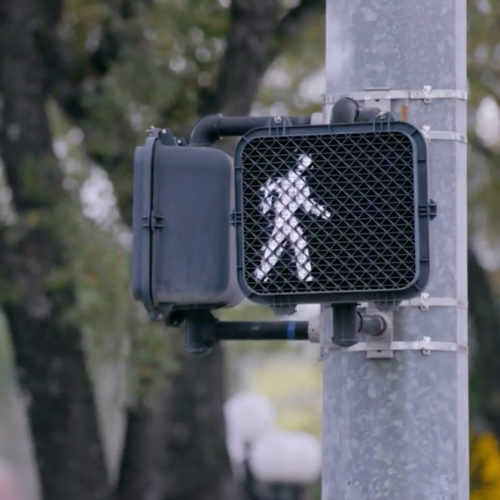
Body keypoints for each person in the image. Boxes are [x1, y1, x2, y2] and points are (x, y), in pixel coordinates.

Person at [254, 153, 331, 283]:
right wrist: (321, 212)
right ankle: (262, 275)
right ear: (298, 162)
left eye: (308, 163)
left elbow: (305, 203)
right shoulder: (288, 177)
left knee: (281, 246)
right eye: (304, 162)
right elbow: (304, 203)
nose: (305, 165)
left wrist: (320, 211)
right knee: (281, 246)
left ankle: (263, 274)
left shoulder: (301, 179)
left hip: (289, 217)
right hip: (282, 216)